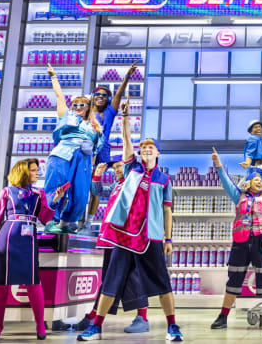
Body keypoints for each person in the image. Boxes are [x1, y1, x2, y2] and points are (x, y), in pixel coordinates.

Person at [77, 95, 182, 342]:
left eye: (150, 147)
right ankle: (96, 326)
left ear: (158, 153)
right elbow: (126, 141)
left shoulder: (164, 180)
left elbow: (167, 211)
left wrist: (168, 239)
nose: (146, 149)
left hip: (151, 236)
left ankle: (172, 326)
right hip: (123, 236)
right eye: (143, 147)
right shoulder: (131, 168)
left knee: (163, 283)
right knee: (110, 282)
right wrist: (125, 117)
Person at [209, 107, 262, 330]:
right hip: (240, 243)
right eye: (255, 179)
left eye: (260, 180)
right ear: (247, 183)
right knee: (234, 280)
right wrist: (218, 165)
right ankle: (223, 317)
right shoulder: (238, 196)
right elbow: (226, 182)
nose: (259, 181)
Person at [0, 159, 65, 340]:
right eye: (34, 170)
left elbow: (44, 218)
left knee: (33, 282)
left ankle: (40, 325)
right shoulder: (7, 191)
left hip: (28, 240)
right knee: (1, 283)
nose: (38, 173)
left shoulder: (39, 193)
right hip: (6, 238)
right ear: (23, 172)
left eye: (37, 170)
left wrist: (55, 201)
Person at [75, 157, 149, 334]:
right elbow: (98, 191)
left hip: (127, 239)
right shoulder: (117, 185)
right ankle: (95, 314)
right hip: (110, 238)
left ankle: (142, 317)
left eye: (119, 167)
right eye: (114, 168)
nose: (117, 170)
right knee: (108, 277)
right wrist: (97, 176)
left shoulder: (136, 185)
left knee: (133, 276)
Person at [44, 64, 104, 234]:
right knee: (57, 187)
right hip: (62, 155)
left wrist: (93, 167)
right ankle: (51, 220)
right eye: (75, 105)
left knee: (81, 193)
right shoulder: (66, 115)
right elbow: (59, 96)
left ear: (88, 106)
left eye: (82, 105)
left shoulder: (94, 126)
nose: (78, 108)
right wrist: (53, 77)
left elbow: (95, 149)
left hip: (84, 159)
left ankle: (66, 222)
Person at [83, 62, 138, 233]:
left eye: (104, 95)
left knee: (95, 186)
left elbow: (119, 94)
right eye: (98, 94)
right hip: (85, 150)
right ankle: (76, 220)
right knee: (81, 185)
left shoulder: (109, 112)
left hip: (103, 150)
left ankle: (88, 223)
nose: (101, 97)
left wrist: (127, 76)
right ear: (93, 96)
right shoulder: (86, 111)